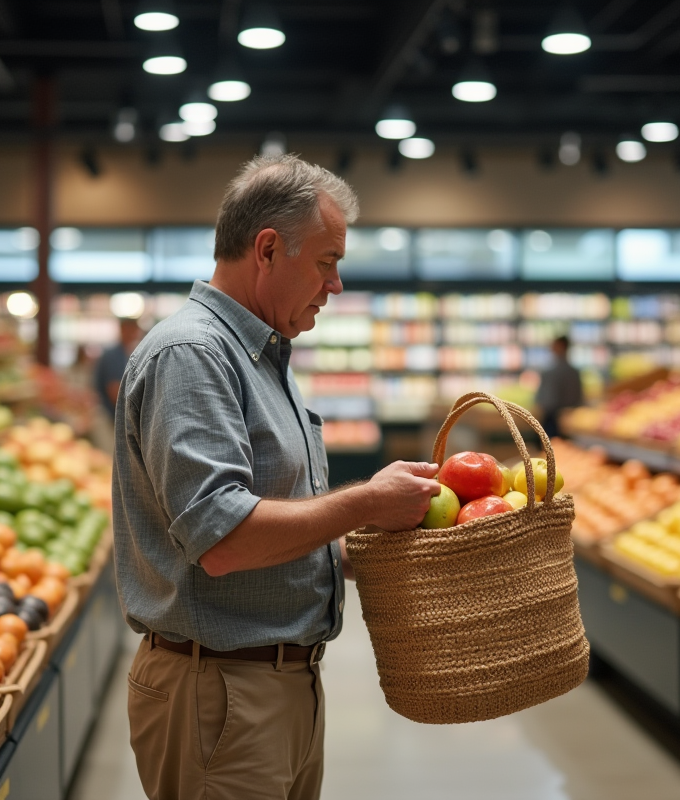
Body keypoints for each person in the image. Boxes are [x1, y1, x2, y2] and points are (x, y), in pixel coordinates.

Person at [111, 154, 441, 800]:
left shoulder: (261, 355)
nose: (336, 285)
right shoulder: (194, 354)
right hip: (222, 692)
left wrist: (371, 550)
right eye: (326, 262)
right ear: (266, 250)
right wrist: (366, 502)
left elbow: (279, 525)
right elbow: (224, 538)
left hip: (276, 684)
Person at [535, 334, 585, 439]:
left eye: (555, 346)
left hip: (554, 417)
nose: (552, 348)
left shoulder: (551, 372)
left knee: (553, 446)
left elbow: (546, 400)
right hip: (567, 417)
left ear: (562, 347)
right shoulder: (573, 372)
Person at [94, 316, 145, 417]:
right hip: (110, 416)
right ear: (123, 330)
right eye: (130, 330)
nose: (134, 334)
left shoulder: (133, 353)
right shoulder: (113, 355)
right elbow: (115, 392)